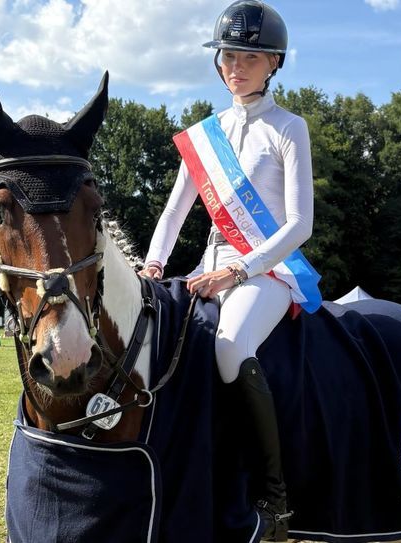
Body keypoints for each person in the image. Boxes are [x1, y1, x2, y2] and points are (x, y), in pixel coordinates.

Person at [139, 1, 318, 540]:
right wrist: (152, 265)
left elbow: (299, 223)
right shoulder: (203, 136)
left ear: (273, 63)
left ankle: (275, 496)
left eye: (249, 57)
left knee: (230, 346)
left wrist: (240, 272)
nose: (235, 66)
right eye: (228, 56)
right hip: (207, 265)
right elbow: (174, 212)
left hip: (267, 269)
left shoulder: (290, 129)